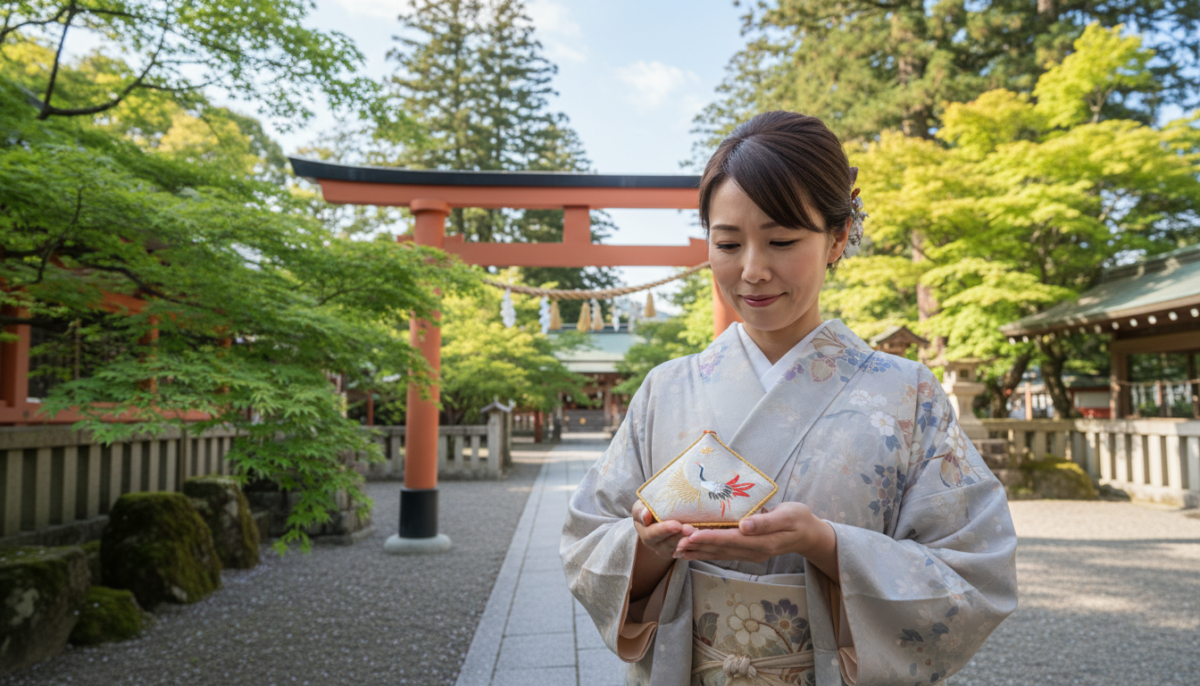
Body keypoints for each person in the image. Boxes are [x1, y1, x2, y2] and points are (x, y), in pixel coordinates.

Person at [560, 111, 1017, 686]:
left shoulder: (909, 395)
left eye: (781, 241)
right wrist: (649, 547)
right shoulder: (665, 388)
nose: (752, 270)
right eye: (728, 243)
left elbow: (976, 573)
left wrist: (826, 544)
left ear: (838, 237)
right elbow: (587, 541)